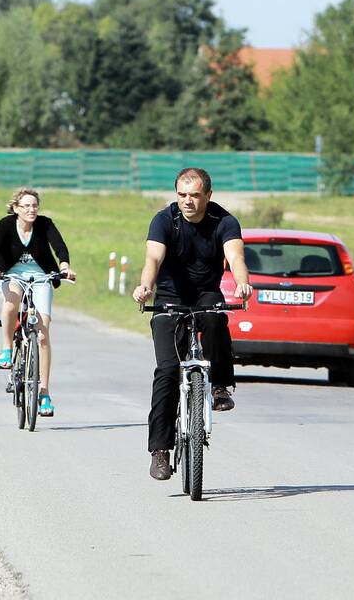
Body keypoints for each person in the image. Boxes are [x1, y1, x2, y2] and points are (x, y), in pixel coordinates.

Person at [131, 168, 253, 481]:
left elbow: (236, 257)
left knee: (215, 318)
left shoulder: (224, 221)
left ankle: (220, 385)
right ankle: (160, 450)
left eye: (195, 196)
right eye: (182, 195)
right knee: (168, 371)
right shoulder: (164, 220)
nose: (188, 202)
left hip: (205, 294)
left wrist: (242, 283)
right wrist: (145, 287)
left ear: (207, 197)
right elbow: (153, 260)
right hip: (169, 297)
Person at [0, 188, 75, 418]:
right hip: (10, 276)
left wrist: (64, 267)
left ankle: (43, 392)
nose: (31, 209)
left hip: (41, 278)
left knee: (42, 335)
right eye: (26, 206)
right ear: (16, 208)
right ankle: (6, 348)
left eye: (34, 205)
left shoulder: (45, 225)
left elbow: (60, 248)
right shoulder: (6, 225)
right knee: (11, 301)